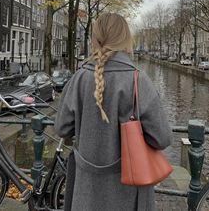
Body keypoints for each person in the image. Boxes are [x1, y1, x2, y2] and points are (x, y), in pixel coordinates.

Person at [55, 13, 172, 211]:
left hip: (86, 193)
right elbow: (162, 139)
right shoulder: (138, 80)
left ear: (96, 38)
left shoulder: (79, 78)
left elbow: (62, 128)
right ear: (125, 39)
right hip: (129, 194)